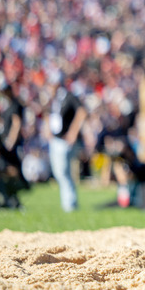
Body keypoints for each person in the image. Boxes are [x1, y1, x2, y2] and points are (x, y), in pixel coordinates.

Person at [48, 81, 88, 212]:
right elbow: (49, 116)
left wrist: (73, 131)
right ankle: (68, 204)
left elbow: (82, 111)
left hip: (64, 142)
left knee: (64, 173)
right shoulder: (54, 100)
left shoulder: (69, 97)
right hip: (56, 140)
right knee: (60, 174)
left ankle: (70, 205)